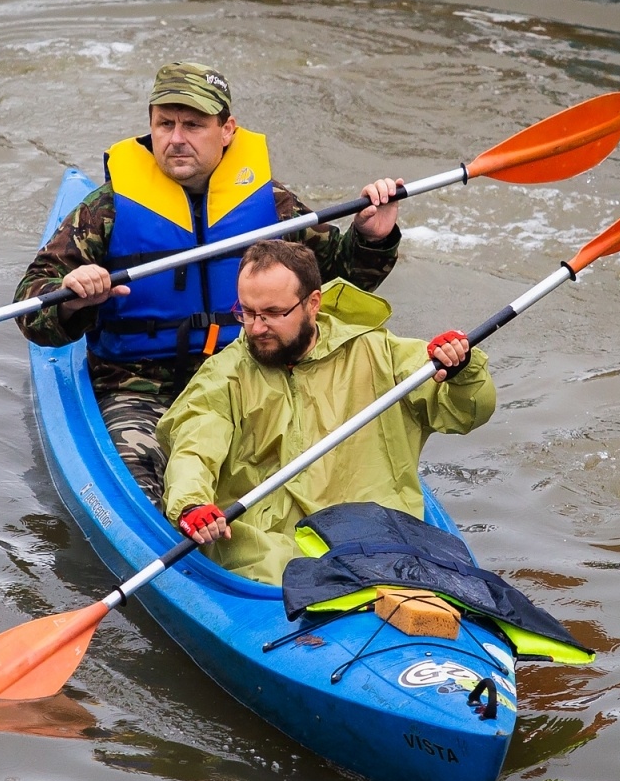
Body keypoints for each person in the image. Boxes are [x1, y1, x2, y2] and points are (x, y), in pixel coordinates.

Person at [15, 61, 403, 503]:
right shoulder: (106, 209)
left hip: (248, 376)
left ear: (227, 130)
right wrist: (72, 298)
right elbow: (32, 303)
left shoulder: (272, 206)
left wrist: (373, 237)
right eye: (165, 124)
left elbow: (338, 280)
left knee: (322, 479)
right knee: (147, 497)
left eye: (194, 125)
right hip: (140, 388)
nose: (176, 139)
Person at [155, 240, 495, 584]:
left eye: (272, 313)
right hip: (267, 553)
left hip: (377, 540)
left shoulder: (380, 353)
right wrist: (191, 504)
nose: (256, 328)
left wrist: (463, 370)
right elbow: (193, 448)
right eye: (247, 312)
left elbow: (465, 414)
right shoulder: (223, 375)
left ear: (312, 304)